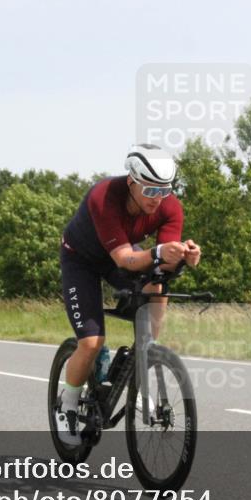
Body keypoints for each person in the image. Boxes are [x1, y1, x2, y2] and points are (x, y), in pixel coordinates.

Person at [56, 144, 201, 445]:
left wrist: (185, 256)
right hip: (81, 260)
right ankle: (67, 403)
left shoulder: (169, 206)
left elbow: (161, 261)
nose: (157, 199)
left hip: (118, 255)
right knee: (92, 341)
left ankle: (148, 347)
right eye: (150, 191)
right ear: (132, 181)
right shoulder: (104, 196)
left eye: (164, 191)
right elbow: (125, 260)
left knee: (158, 280)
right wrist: (160, 252)